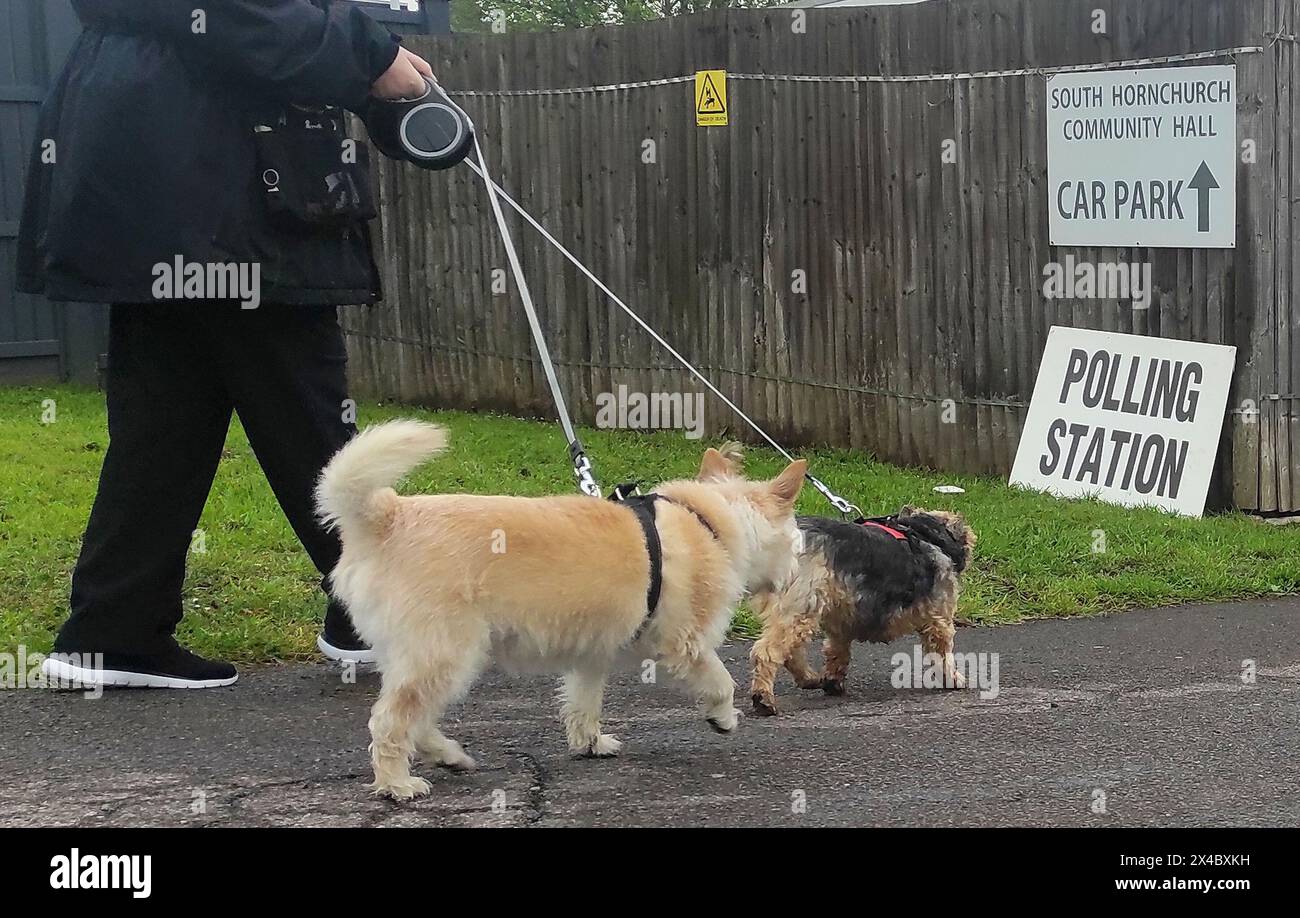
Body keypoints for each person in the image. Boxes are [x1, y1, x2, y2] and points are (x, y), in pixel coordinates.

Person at [19, 0, 434, 688]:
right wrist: (369, 52)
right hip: (222, 181)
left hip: (160, 167)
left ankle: (114, 629)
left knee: (167, 413)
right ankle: (378, 612)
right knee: (304, 399)